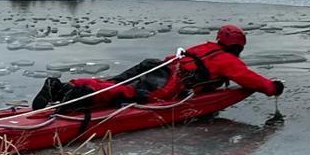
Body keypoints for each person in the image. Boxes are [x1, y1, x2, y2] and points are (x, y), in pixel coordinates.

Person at [32, 24, 284, 111]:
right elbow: (252, 80)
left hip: (158, 66)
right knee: (126, 94)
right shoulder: (228, 60)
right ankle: (69, 94)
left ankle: (65, 87)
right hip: (167, 81)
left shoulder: (206, 47)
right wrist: (273, 88)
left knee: (115, 84)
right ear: (238, 47)